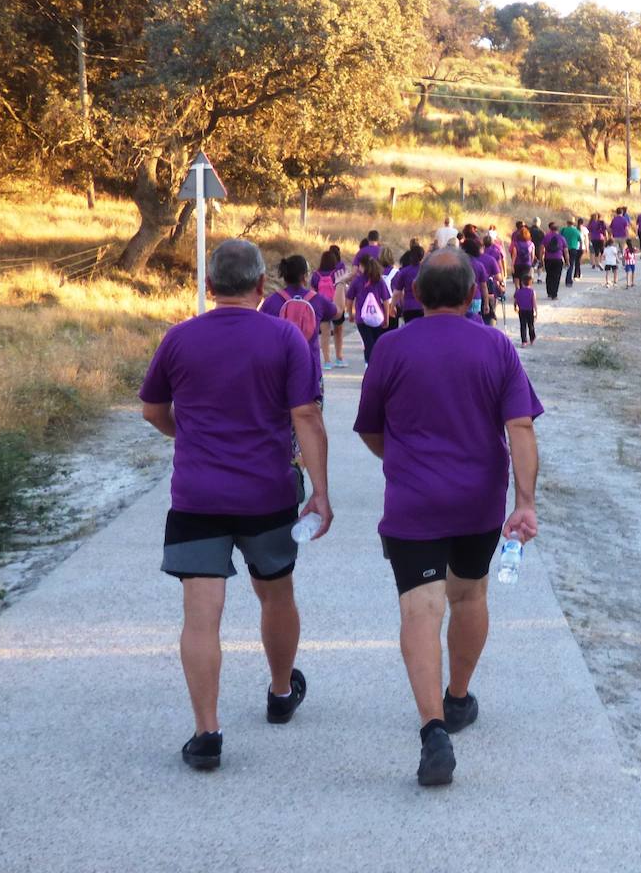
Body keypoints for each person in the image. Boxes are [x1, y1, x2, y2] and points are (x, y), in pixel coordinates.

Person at [139, 238, 333, 772]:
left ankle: (207, 733)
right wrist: (319, 490)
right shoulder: (285, 338)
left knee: (201, 616)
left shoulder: (179, 338)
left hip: (197, 496)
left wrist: (187, 434)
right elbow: (307, 417)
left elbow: (152, 409)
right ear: (260, 287)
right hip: (266, 494)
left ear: (208, 287)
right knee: (276, 595)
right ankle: (278, 691)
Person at [353, 246, 542, 787]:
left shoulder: (390, 348)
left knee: (420, 609)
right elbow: (521, 428)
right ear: (470, 294)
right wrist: (524, 503)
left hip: (413, 501)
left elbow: (369, 428)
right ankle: (457, 698)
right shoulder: (496, 347)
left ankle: (432, 728)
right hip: (477, 500)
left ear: (414, 294)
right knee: (469, 596)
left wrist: (402, 460)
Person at [261, 254, 340, 363]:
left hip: (281, 365)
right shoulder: (317, 300)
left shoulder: (271, 301)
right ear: (304, 276)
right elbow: (338, 313)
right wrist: (340, 284)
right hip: (309, 366)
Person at [348, 256, 392, 364]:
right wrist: (386, 318)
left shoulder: (357, 281)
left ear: (363, 266)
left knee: (368, 344)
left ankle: (369, 366)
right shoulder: (379, 280)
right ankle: (378, 365)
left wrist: (350, 314)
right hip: (377, 318)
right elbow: (386, 301)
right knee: (377, 344)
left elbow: (349, 299)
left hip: (362, 318)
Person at [312, 246, 349, 370]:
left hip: (322, 307)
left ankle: (327, 361)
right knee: (338, 331)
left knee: (325, 334)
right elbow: (342, 288)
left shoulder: (316, 275)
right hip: (336, 305)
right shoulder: (337, 273)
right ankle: (339, 358)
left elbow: (313, 292)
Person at [391, 245, 425, 323]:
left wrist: (392, 306)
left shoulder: (404, 272)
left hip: (409, 308)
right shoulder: (427, 270)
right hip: (424, 307)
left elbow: (397, 293)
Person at [541, 222, 566, 300]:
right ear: (557, 229)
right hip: (558, 259)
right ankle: (554, 294)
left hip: (548, 259)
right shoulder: (561, 238)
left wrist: (541, 258)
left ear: (550, 229)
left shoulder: (546, 237)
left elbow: (542, 249)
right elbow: (566, 251)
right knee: (556, 277)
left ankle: (549, 292)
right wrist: (567, 260)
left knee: (549, 275)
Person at [514, 275, 537, 347]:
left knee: (523, 326)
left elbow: (515, 301)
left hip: (522, 310)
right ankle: (532, 338)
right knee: (531, 325)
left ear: (522, 283)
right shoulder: (532, 292)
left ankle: (524, 341)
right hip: (530, 310)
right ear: (531, 283)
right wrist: (536, 311)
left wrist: (515, 307)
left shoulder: (518, 292)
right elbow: (534, 302)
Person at [561, 217, 583, 286]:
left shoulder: (563, 230)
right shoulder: (576, 231)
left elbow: (559, 238)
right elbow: (580, 240)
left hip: (564, 249)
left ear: (567, 223)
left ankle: (565, 275)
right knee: (571, 264)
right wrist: (580, 248)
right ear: (573, 223)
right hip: (573, 249)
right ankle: (568, 280)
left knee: (566, 263)